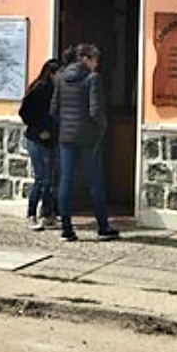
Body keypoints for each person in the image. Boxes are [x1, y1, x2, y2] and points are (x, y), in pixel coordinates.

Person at [50, 42, 119, 242]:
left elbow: (54, 109)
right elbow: (95, 110)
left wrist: (65, 126)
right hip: (88, 138)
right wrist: (103, 126)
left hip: (66, 138)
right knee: (95, 182)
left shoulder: (61, 78)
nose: (97, 65)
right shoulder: (92, 79)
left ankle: (66, 229)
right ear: (86, 59)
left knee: (66, 181)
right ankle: (103, 227)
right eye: (95, 60)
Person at [18, 57, 62, 231]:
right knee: (41, 178)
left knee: (51, 179)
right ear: (51, 74)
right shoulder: (39, 88)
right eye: (59, 73)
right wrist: (39, 129)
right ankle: (31, 214)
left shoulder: (56, 90)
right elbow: (25, 112)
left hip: (52, 139)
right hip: (36, 139)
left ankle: (49, 214)